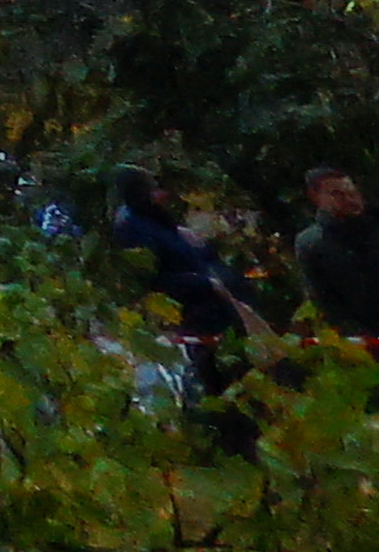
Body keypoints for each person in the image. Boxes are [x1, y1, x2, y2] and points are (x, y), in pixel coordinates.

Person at [108, 169, 271, 445]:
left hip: (222, 305)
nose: (159, 192)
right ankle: (237, 444)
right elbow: (155, 278)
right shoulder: (132, 226)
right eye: (151, 186)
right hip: (201, 313)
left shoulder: (157, 221)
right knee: (225, 386)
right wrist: (206, 284)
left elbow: (189, 255)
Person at [295, 166, 379, 343]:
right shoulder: (311, 244)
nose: (350, 200)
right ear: (316, 197)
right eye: (337, 194)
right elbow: (325, 300)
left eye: (353, 193)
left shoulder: (374, 225)